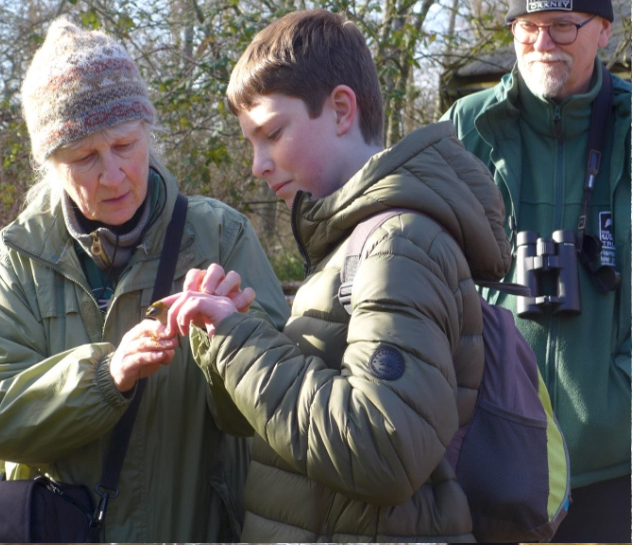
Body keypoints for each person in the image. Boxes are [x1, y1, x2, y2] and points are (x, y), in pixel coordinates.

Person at [156, 9, 515, 541]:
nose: (257, 164)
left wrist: (243, 343)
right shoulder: (351, 241)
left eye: (272, 133)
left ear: (342, 109)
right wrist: (222, 334)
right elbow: (297, 422)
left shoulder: (400, 244)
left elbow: (384, 446)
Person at [0, 16, 290, 543]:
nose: (112, 175)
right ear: (50, 163)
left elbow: (266, 419)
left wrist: (232, 340)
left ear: (148, 136)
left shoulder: (220, 235)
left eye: (125, 146)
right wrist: (105, 376)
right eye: (85, 157)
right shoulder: (14, 259)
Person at [442, 0, 630, 540]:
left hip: (612, 461)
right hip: (487, 452)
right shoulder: (466, 126)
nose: (542, 43)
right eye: (528, 27)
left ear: (604, 32)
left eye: (562, 27)